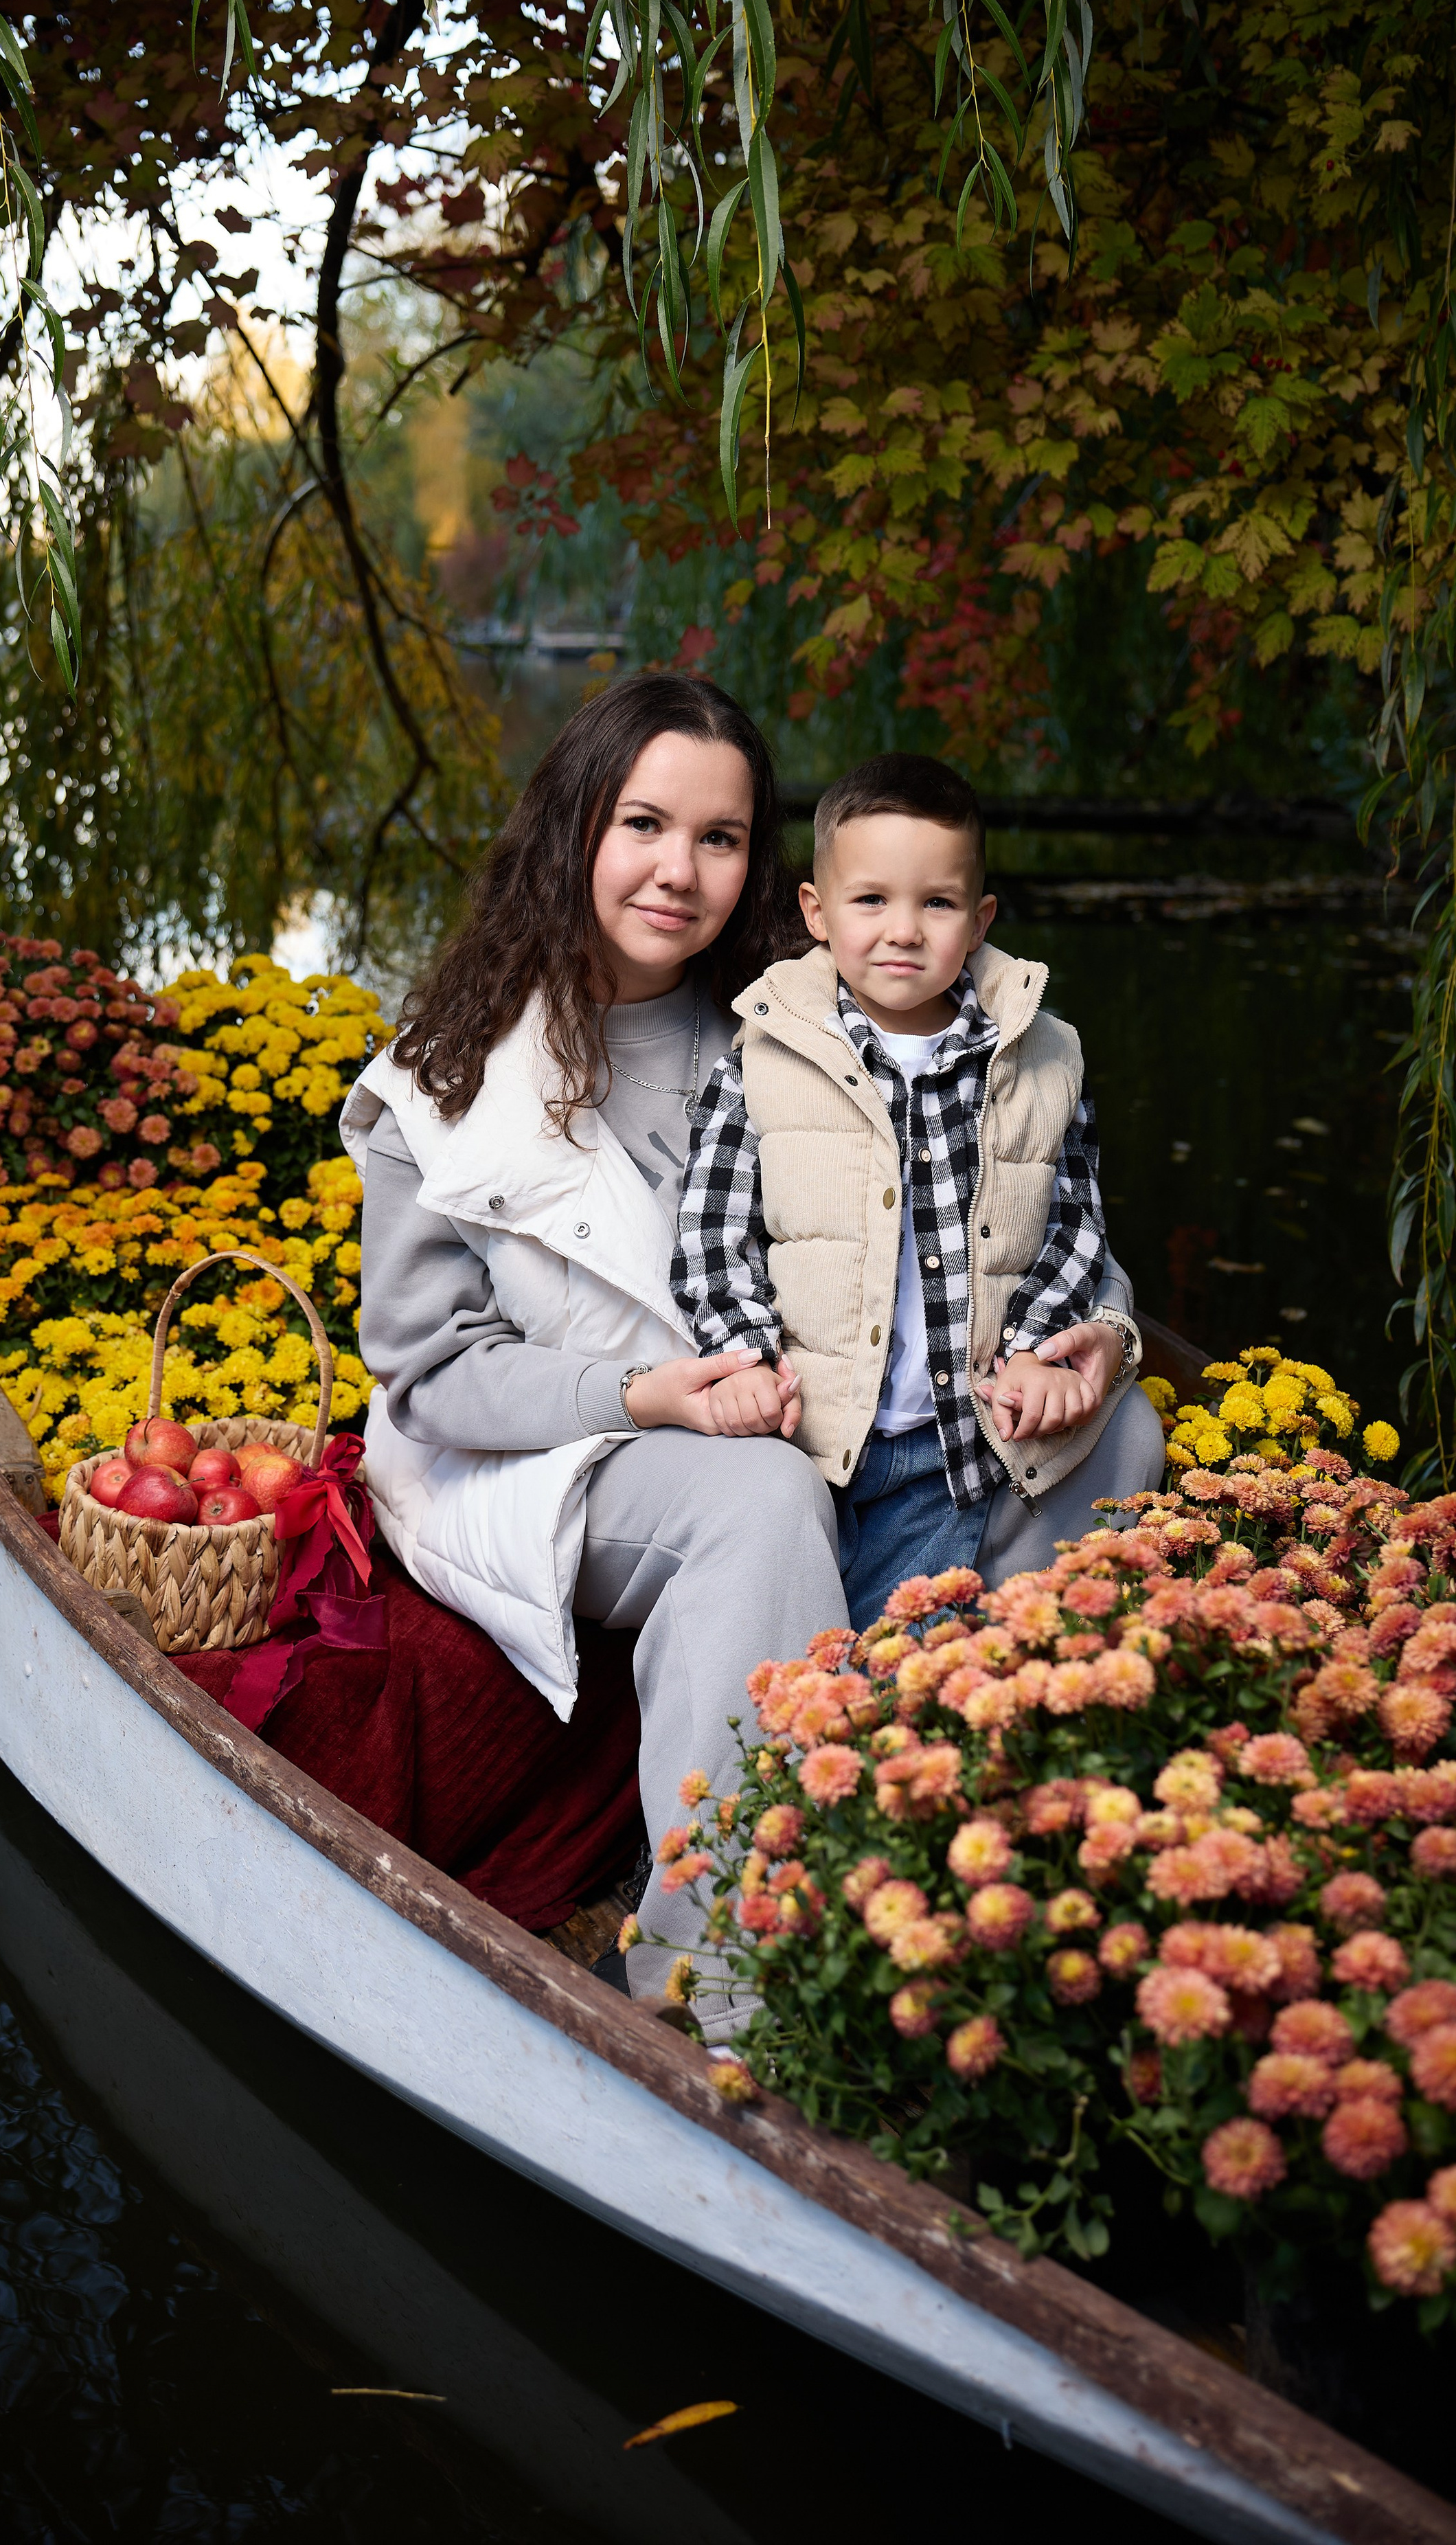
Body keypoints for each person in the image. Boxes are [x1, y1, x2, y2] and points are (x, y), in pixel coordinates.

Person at [339, 673, 845, 2028]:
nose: (679, 870)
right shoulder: (446, 1074)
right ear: (574, 829)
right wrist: (646, 1395)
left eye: (721, 839)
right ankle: (720, 1984)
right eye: (643, 823)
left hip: (739, 1413)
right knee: (757, 1506)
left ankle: (1003, 1887)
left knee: (1093, 1441)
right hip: (531, 1458)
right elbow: (433, 1373)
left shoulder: (787, 1040)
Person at [672, 752, 1166, 1628]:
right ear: (817, 915)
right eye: (871, 901)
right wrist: (745, 1361)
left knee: (907, 1647)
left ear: (977, 922)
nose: (903, 929)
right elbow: (715, 1239)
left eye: (934, 904)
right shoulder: (764, 1057)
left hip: (956, 1443)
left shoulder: (1040, 1059)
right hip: (811, 1437)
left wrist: (1036, 1349)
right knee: (803, 1640)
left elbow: (1071, 1226)